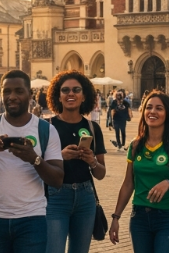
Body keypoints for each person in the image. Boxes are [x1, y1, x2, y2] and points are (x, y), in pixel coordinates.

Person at [0, 70, 65, 253]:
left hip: (32, 220)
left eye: (19, 91)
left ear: (30, 95)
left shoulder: (46, 130)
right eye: (7, 91)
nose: (12, 96)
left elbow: (57, 179)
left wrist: (34, 159)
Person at [108, 91, 169, 253]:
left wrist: (168, 184)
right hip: (139, 218)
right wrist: (116, 217)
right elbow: (128, 184)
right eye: (149, 107)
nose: (152, 111)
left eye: (159, 108)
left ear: (167, 114)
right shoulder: (135, 145)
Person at [45, 70, 107, 253]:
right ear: (58, 96)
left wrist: (92, 161)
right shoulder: (47, 126)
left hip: (85, 196)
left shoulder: (92, 127)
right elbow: (37, 166)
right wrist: (60, 157)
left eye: (76, 90)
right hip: (55, 197)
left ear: (84, 96)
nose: (70, 94)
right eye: (65, 90)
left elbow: (101, 173)